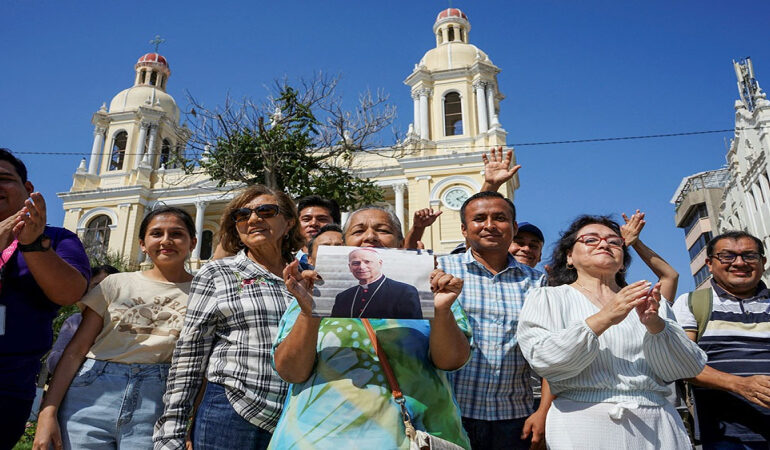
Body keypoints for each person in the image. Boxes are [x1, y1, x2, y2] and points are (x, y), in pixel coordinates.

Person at [271, 205, 472, 449]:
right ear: (346, 245)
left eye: (382, 230)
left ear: (399, 242)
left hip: (416, 438)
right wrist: (309, 313)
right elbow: (291, 372)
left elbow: (451, 361)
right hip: (318, 439)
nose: (369, 236)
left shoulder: (430, 291)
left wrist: (440, 312)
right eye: (358, 231)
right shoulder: (313, 294)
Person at [517, 215, 707, 449]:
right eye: (590, 239)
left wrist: (655, 324)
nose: (604, 244)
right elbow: (544, 359)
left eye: (614, 242)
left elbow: (687, 367)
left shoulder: (647, 299)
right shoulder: (547, 298)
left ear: (623, 262)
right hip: (583, 422)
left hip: (658, 423)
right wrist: (604, 318)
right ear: (569, 256)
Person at [33, 206, 196, 449]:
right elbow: (76, 350)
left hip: (158, 402)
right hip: (90, 394)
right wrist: (48, 412)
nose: (166, 241)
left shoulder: (203, 292)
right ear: (142, 243)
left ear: (192, 242)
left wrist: (192, 424)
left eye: (176, 233)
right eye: (156, 233)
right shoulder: (115, 283)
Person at [154, 185, 303, 450]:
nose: (254, 219)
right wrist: (172, 431)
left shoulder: (307, 276)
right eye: (242, 215)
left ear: (289, 222)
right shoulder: (217, 274)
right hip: (232, 412)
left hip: (298, 415)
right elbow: (190, 353)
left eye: (266, 211)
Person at [438, 191, 549, 449]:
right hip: (449, 413)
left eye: (500, 218)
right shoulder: (439, 270)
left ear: (513, 227)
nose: (489, 225)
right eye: (479, 219)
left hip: (515, 419)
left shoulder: (537, 282)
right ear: (465, 229)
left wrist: (542, 412)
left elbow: (548, 353)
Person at [0, 148, 91, 447]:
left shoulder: (58, 239)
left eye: (4, 178)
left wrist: (34, 245)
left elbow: (69, 293)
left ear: (27, 189)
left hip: (8, 386)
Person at [672, 231, 770, 448]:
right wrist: (740, 385)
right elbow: (681, 364)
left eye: (749, 256)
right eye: (727, 256)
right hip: (727, 437)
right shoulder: (691, 303)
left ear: (763, 262)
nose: (739, 263)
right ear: (709, 263)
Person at [46, 264, 121, 373]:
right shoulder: (74, 322)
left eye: (110, 288)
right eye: (96, 286)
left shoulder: (125, 325)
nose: (102, 293)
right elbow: (53, 364)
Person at [331, 247, 423, 319]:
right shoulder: (342, 297)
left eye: (367, 262)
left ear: (380, 263)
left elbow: (412, 329)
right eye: (356, 263)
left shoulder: (404, 292)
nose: (362, 267)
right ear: (350, 267)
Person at [621, 210, 679, 302]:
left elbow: (670, 276)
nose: (603, 245)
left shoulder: (644, 309)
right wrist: (624, 243)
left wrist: (635, 242)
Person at [295, 195, 341, 267]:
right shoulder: (285, 263)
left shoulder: (352, 261)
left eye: (322, 219)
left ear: (335, 223)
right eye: (306, 219)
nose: (313, 223)